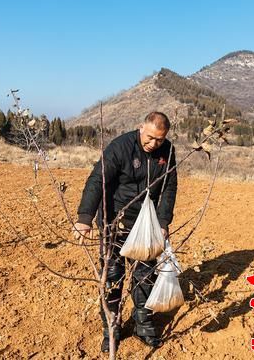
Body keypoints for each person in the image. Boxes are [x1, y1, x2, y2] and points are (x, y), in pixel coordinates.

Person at [73, 111, 177, 352]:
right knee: (113, 274)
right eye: (150, 137)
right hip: (116, 220)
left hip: (147, 222)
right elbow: (97, 180)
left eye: (159, 140)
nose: (153, 144)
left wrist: (163, 222)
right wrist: (85, 217)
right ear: (141, 127)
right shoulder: (120, 147)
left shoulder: (168, 152)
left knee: (145, 273)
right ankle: (112, 329)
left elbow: (170, 188)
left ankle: (144, 325)